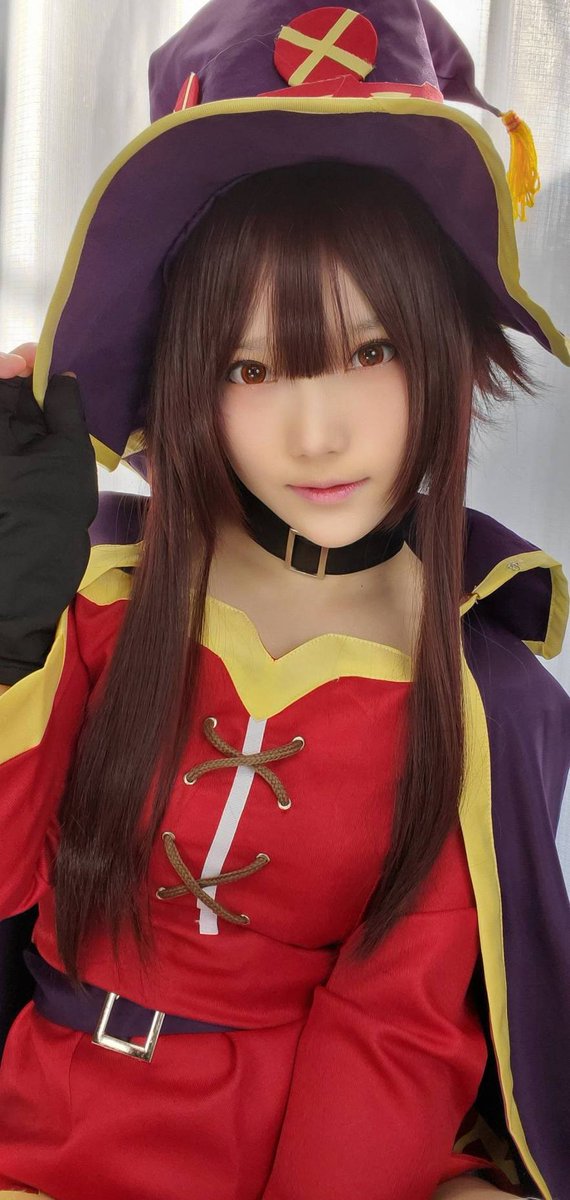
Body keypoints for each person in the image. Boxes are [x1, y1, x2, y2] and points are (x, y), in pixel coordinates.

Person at [0, 3, 568, 1200]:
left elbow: (396, 1031)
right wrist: (9, 630)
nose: (319, 434)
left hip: (297, 1153)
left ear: (448, 344)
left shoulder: (475, 692)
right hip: (40, 1124)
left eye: (372, 351)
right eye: (251, 368)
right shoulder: (102, 595)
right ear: (186, 381)